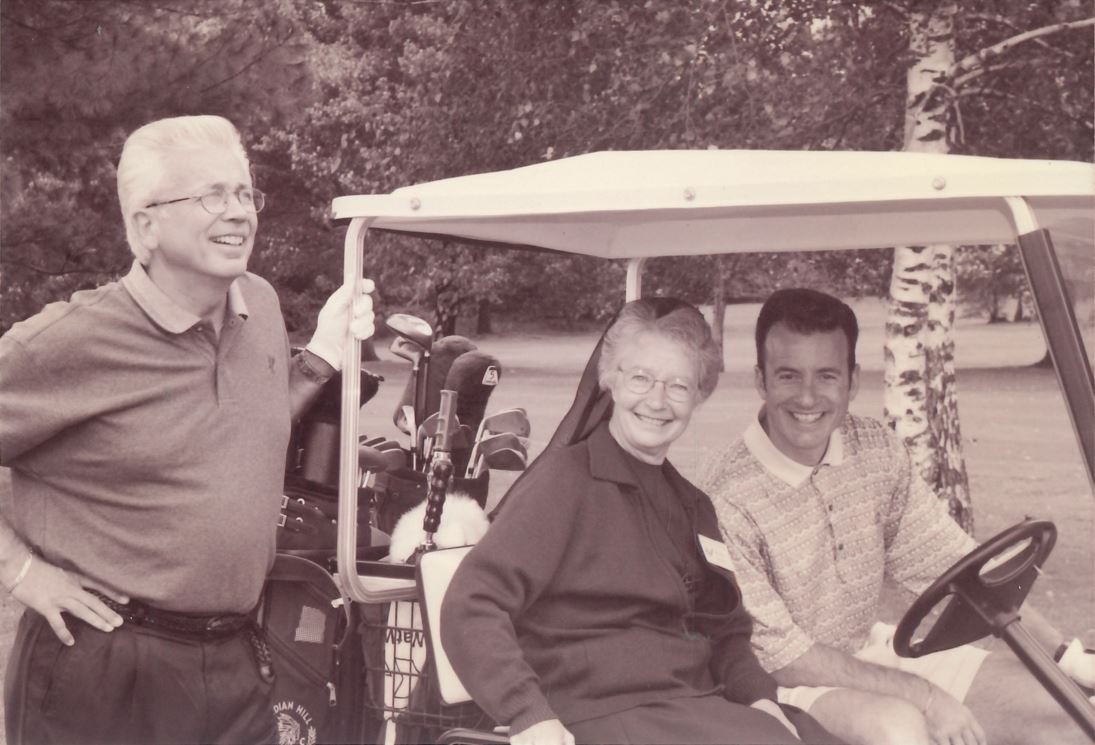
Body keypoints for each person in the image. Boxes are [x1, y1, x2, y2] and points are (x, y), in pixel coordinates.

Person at [0, 115, 375, 745]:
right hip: (105, 663)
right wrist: (20, 572)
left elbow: (238, 433)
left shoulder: (260, 307)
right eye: (211, 196)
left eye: (244, 193)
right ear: (145, 225)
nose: (239, 212)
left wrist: (322, 357)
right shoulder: (73, 340)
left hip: (235, 656)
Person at [441, 298, 843, 745]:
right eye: (640, 378)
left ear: (699, 395)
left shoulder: (692, 505)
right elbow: (471, 603)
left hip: (686, 705)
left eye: (678, 386)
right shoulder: (563, 484)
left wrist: (760, 698)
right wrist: (527, 713)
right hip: (598, 712)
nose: (657, 401)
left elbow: (724, 629)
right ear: (610, 379)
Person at [702, 287, 1094, 745]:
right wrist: (925, 697)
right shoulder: (726, 496)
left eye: (827, 376)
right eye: (788, 376)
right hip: (778, 686)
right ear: (761, 380)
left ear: (852, 381)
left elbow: (955, 564)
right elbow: (784, 657)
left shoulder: (874, 449)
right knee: (900, 730)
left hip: (866, 654)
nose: (807, 397)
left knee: (1066, 709)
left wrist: (1066, 656)